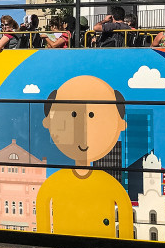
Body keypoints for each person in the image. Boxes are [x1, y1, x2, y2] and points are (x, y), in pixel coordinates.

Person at [36, 76, 133, 237]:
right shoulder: (54, 183)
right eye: (73, 115)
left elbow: (125, 215)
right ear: (48, 123)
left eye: (93, 116)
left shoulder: (109, 184)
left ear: (121, 125)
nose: (83, 130)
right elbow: (42, 215)